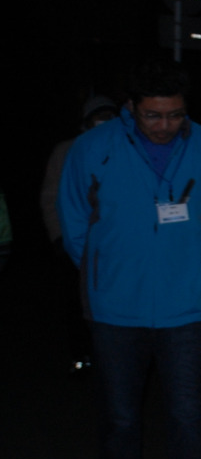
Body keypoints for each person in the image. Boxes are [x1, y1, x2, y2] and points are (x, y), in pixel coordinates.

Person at [56, 59, 201, 459]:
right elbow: (75, 224)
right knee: (120, 417)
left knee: (189, 418)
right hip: (115, 308)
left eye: (174, 115)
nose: (164, 125)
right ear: (131, 108)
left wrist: (182, 265)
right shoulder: (93, 148)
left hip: (186, 307)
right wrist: (110, 270)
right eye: (153, 115)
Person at [41, 95, 120, 374]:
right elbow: (51, 196)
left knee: (113, 303)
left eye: (110, 115)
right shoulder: (67, 151)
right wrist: (59, 237)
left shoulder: (124, 149)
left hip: (113, 244)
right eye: (99, 116)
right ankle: (81, 356)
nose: (104, 121)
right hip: (76, 242)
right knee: (76, 303)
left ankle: (114, 358)